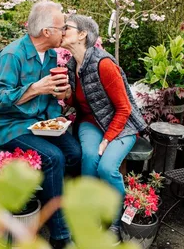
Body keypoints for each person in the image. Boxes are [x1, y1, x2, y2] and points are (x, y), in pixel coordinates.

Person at [0, 1, 82, 249]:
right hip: (10, 126)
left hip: (39, 124)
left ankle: (46, 201)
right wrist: (33, 89)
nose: (65, 32)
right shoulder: (12, 55)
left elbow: (50, 97)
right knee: (54, 158)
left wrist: (55, 116)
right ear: (47, 31)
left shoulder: (50, 55)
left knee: (74, 153)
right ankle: (61, 235)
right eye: (62, 27)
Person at [61, 14, 147, 244]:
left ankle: (116, 223)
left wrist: (107, 139)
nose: (61, 30)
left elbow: (124, 108)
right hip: (90, 122)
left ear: (82, 35)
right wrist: (67, 96)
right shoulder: (72, 65)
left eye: (66, 27)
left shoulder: (104, 64)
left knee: (107, 168)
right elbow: (80, 102)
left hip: (121, 124)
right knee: (89, 157)